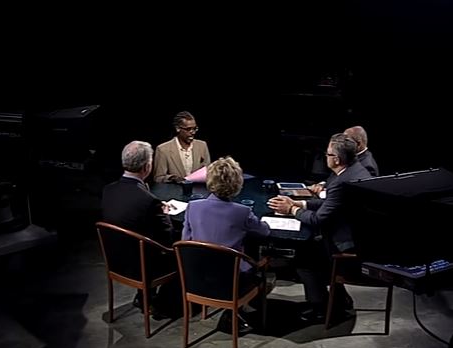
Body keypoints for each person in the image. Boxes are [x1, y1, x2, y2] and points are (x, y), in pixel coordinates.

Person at [267, 133, 372, 322]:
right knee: (309, 251)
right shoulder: (352, 170)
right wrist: (300, 204)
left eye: (328, 154)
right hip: (352, 234)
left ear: (337, 159)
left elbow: (318, 220)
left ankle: (321, 308)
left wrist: (291, 209)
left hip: (347, 245)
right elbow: (331, 204)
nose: (326, 157)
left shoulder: (341, 182)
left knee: (305, 259)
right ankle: (340, 300)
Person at [183, 156, 270, 333]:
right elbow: (264, 232)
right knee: (260, 265)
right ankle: (241, 312)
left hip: (197, 278)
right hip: (231, 281)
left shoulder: (193, 207)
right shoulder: (242, 212)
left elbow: (186, 241)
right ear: (237, 184)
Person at [101, 141, 176, 318]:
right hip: (140, 266)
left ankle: (144, 297)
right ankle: (164, 304)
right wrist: (163, 213)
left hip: (115, 261)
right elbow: (167, 237)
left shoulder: (108, 190)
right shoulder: (148, 200)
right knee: (182, 252)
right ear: (147, 166)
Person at [309, 125, 378, 195]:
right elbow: (337, 176)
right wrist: (323, 185)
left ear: (358, 144)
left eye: (347, 141)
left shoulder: (367, 166)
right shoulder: (348, 156)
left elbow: (354, 193)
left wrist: (322, 193)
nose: (342, 143)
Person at [153, 111, 211, 183]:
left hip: (199, 192)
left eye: (195, 128)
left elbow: (209, 172)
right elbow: (158, 178)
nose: (193, 132)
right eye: (188, 129)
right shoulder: (163, 149)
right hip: (174, 192)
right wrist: (172, 178)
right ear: (178, 128)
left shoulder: (202, 146)